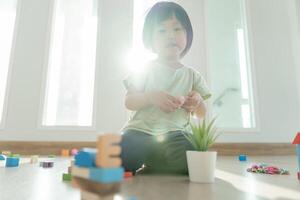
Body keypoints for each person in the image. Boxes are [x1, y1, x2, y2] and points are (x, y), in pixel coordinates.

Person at [121, 1, 211, 174]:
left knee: (193, 151)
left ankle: (154, 161)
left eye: (177, 29)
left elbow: (201, 113)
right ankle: (151, 158)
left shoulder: (193, 75)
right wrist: (149, 97)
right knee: (121, 151)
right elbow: (129, 101)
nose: (170, 35)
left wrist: (197, 102)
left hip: (176, 136)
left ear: (187, 36)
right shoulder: (144, 68)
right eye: (162, 31)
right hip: (140, 132)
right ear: (151, 39)